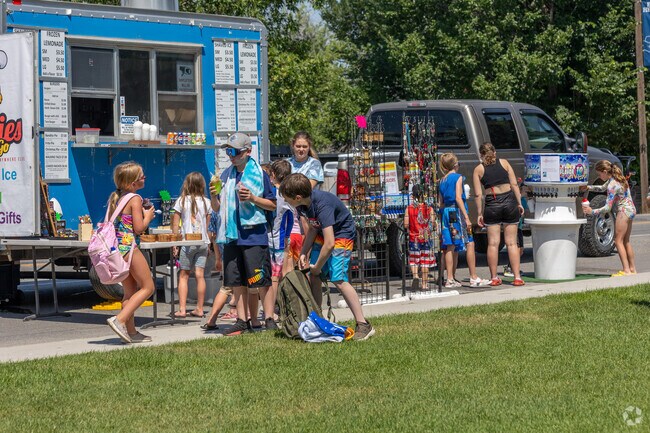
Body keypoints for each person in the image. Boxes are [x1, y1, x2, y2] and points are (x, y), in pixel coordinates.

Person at [280, 173, 375, 340]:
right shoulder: (302, 205)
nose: (285, 201)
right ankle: (318, 319)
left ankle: (363, 324)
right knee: (314, 275)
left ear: (297, 197)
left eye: (287, 198)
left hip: (341, 236)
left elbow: (330, 243)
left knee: (338, 279)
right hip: (325, 235)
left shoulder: (322, 205)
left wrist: (316, 265)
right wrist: (303, 252)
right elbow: (313, 228)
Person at [211, 133, 276, 335]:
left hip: (254, 235)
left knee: (261, 280)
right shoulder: (225, 175)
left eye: (234, 151)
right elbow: (216, 208)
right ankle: (241, 319)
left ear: (248, 152)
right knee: (236, 281)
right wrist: (214, 194)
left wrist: (253, 198)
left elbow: (273, 205)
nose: (231, 156)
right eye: (228, 151)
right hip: (231, 235)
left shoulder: (259, 174)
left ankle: (269, 318)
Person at [105, 161, 156, 344]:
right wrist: (148, 216)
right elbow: (138, 227)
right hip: (129, 247)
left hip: (117, 248)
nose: (144, 177)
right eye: (141, 176)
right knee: (148, 287)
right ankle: (119, 320)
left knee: (129, 292)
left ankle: (131, 333)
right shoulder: (135, 198)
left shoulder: (117, 197)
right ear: (132, 183)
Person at [472, 143, 525, 287]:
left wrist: (479, 213)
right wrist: (519, 203)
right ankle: (517, 277)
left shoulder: (479, 169)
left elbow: (478, 194)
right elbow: (514, 185)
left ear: (481, 154)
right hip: (509, 202)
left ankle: (494, 277)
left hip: (492, 204)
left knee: (493, 243)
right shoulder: (505, 163)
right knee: (512, 243)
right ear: (494, 152)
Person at [439, 153, 490, 288]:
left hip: (446, 213)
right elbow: (458, 197)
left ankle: (449, 278)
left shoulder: (442, 180)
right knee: (470, 243)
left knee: (450, 245)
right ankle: (473, 276)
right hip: (457, 213)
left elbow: (441, 203)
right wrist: (466, 217)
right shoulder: (458, 178)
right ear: (455, 164)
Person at [583, 160, 637, 276]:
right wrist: (588, 187)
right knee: (626, 241)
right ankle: (632, 269)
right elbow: (602, 188)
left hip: (623, 211)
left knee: (618, 241)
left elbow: (607, 208)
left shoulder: (612, 185)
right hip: (631, 209)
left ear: (605, 171)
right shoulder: (618, 179)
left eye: (599, 174)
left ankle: (626, 270)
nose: (599, 176)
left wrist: (592, 211)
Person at [171, 172, 211, 318]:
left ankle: (182, 309)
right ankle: (200, 308)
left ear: (187, 184)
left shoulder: (181, 201)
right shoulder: (207, 202)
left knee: (184, 275)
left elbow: (175, 223)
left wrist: (174, 243)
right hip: (202, 242)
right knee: (200, 276)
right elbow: (207, 226)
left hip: (187, 243)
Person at [286, 131, 324, 271]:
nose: (301, 149)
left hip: (307, 210)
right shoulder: (287, 164)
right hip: (289, 209)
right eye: (298, 146)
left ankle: (305, 264)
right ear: (293, 146)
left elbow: (308, 187)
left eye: (304, 146)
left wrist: (290, 193)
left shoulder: (314, 164)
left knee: (305, 244)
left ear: (309, 147)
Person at [263, 159, 294, 329]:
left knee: (273, 278)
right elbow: (289, 220)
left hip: (270, 239)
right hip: (279, 240)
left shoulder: (272, 193)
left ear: (273, 175)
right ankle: (274, 308)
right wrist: (288, 236)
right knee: (276, 277)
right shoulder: (286, 195)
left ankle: (272, 309)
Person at [403, 185, 436, 291]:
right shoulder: (429, 208)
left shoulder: (409, 208)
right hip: (426, 238)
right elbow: (433, 223)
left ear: (413, 196)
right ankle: (424, 284)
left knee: (414, 260)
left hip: (414, 238)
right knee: (425, 261)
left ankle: (415, 276)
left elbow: (406, 224)